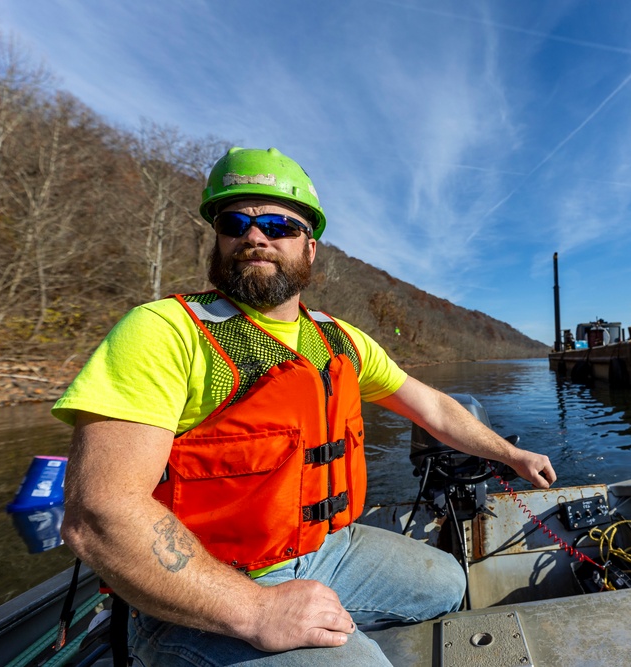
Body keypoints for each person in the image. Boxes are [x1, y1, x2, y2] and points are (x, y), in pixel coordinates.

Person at [55, 147, 557, 666]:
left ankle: (317, 622)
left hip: (320, 549)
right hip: (205, 588)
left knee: (447, 584)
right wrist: (254, 611)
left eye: (278, 225)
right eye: (236, 222)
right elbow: (99, 514)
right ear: (219, 238)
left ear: (309, 249)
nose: (256, 236)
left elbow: (431, 407)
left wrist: (510, 456)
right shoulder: (164, 331)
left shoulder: (337, 339)